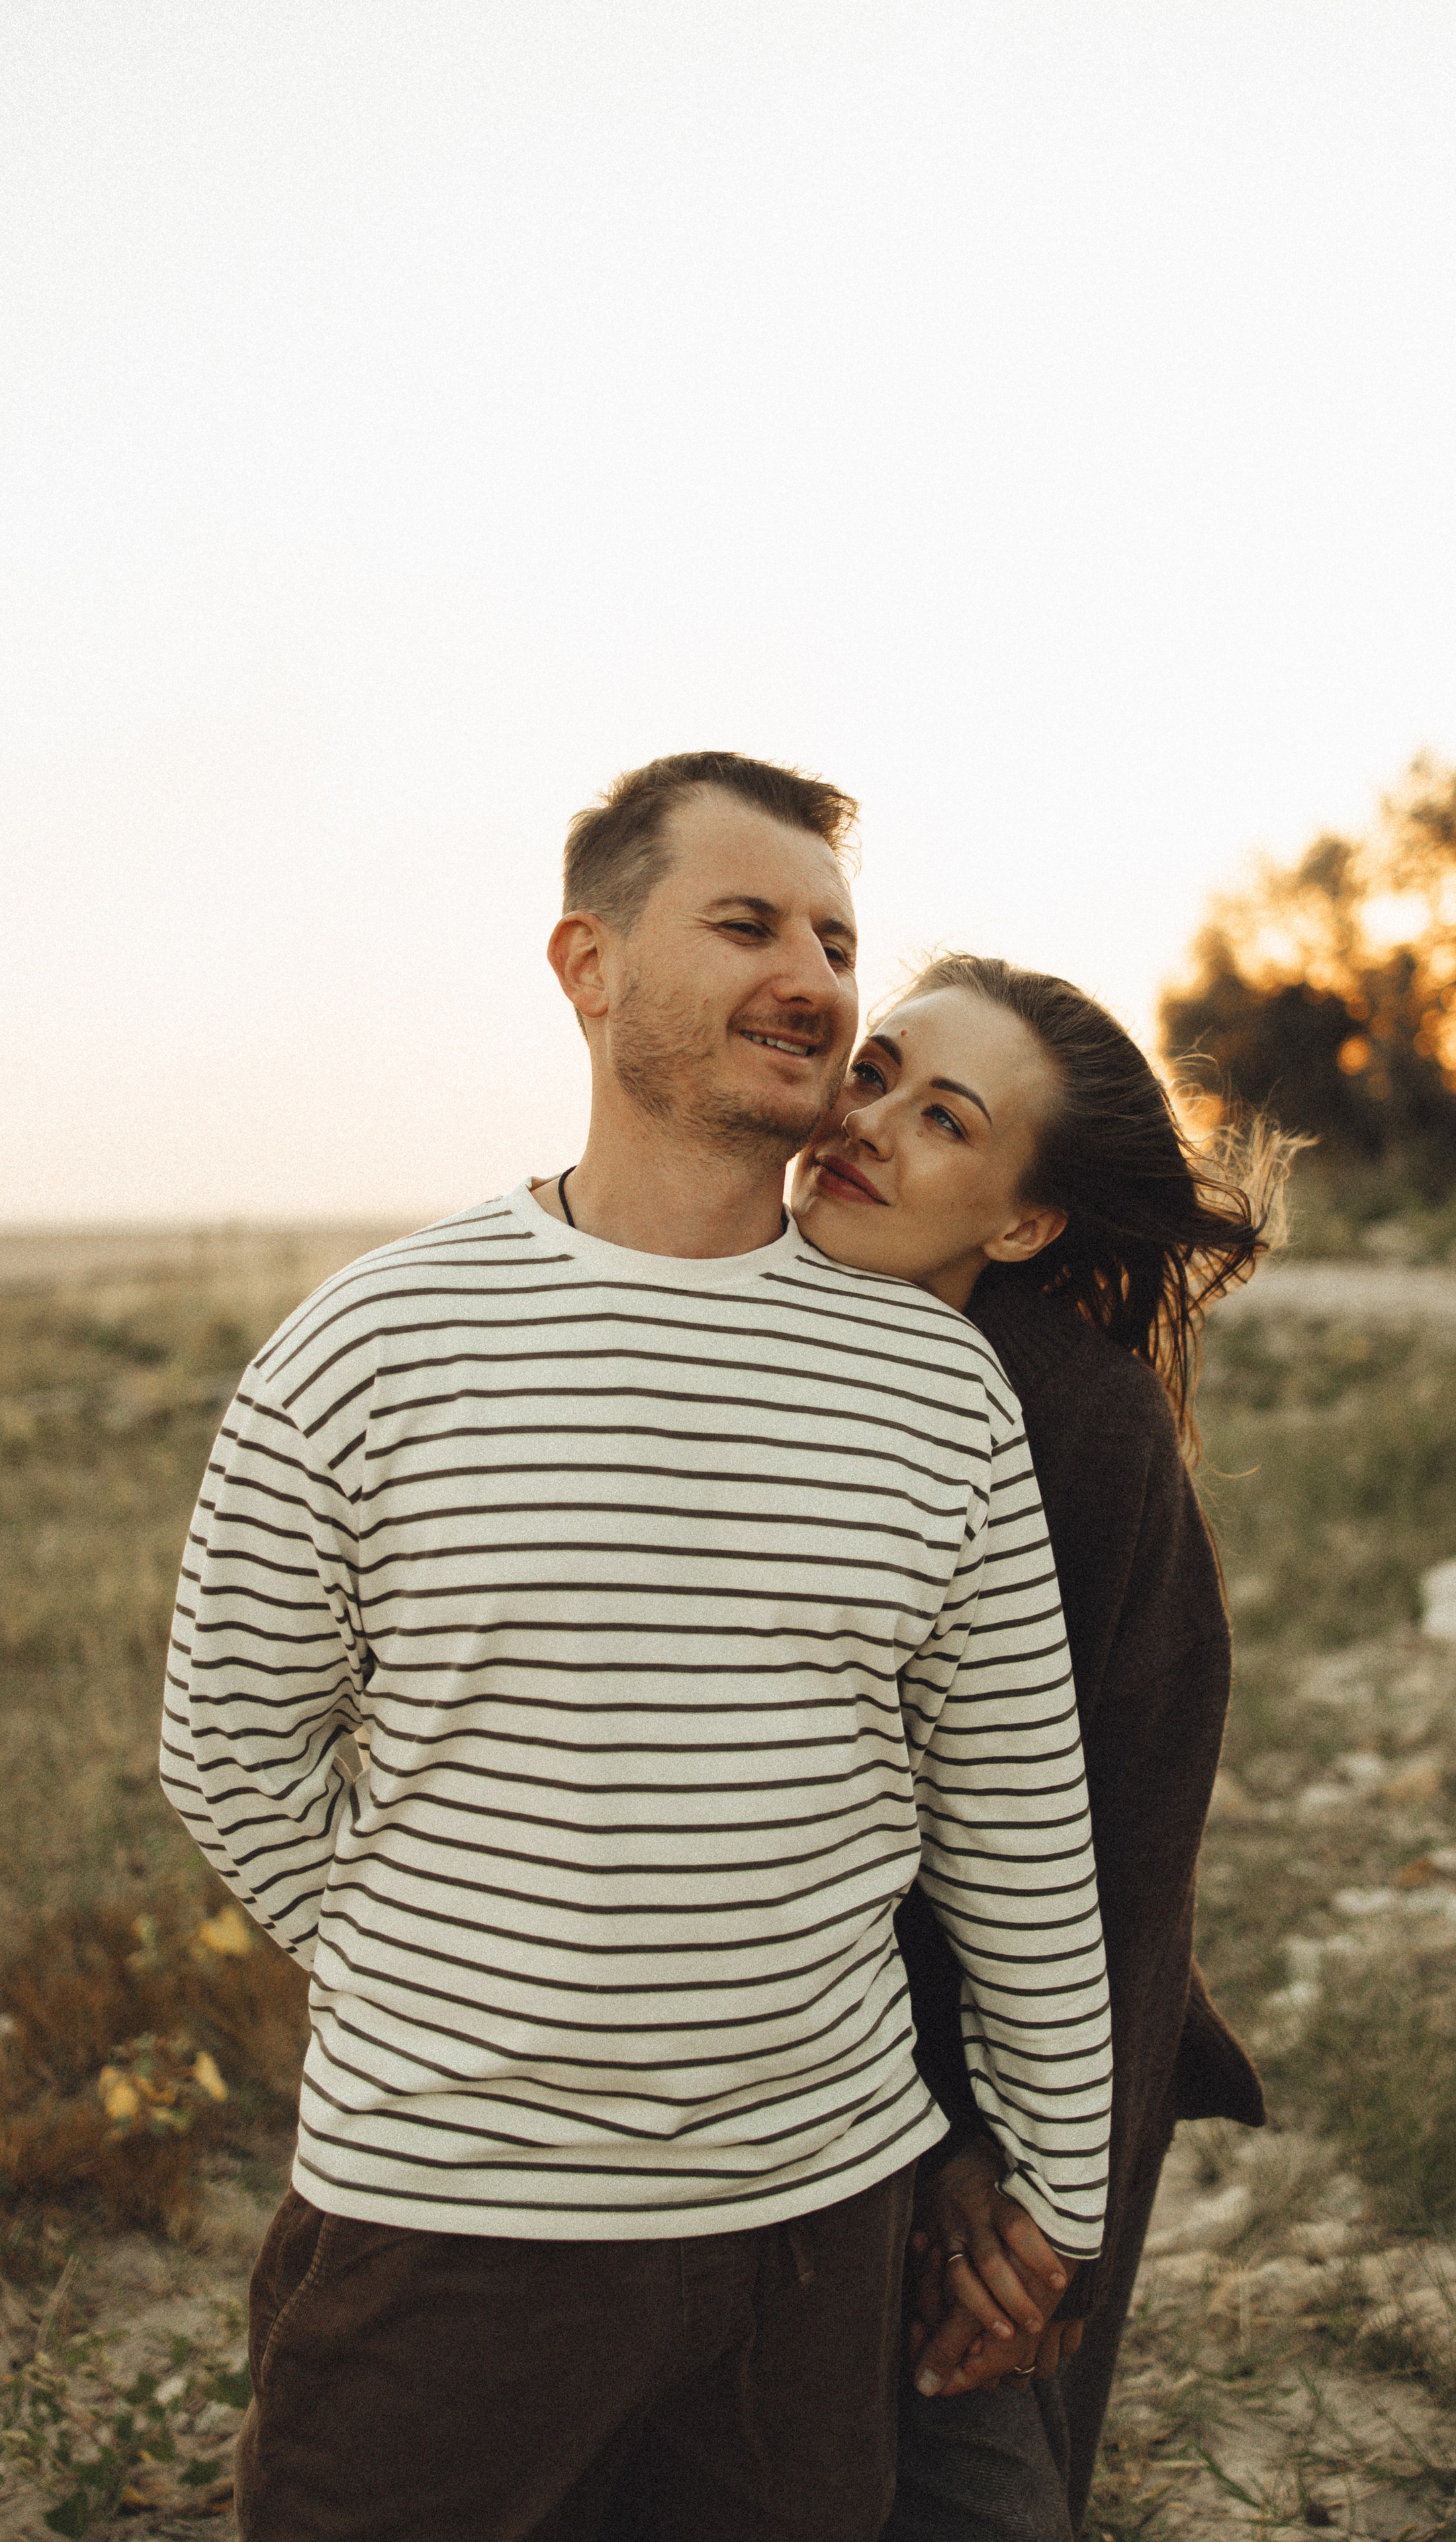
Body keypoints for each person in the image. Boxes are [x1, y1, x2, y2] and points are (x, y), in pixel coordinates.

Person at [160, 754, 1114, 2542]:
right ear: (586, 966)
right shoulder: (368, 1342)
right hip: (445, 2232)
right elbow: (230, 1749)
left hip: (815, 2244)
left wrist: (1057, 2188)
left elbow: (1016, 1832)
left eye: (837, 938)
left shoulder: (935, 1389)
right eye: (745, 923)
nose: (817, 981)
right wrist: (433, 1980)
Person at [790, 953, 1282, 2542]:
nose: (866, 1125)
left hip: (997, 2090)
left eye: (942, 1120)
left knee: (966, 2474)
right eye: (871, 1074)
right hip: (725, 2098)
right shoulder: (708, 1325)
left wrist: (1034, 2202)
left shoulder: (1072, 1427)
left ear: (1020, 1221)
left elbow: (1125, 1866)